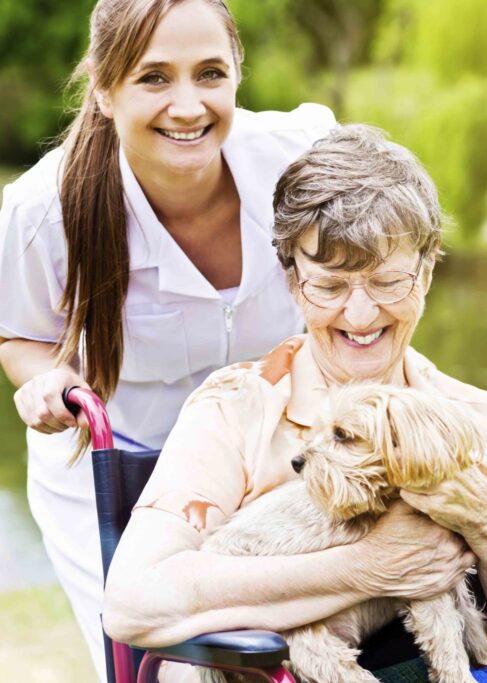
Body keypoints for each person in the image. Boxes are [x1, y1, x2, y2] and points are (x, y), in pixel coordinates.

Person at [102, 124, 487, 680]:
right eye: (329, 287)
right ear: (291, 281)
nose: (359, 316)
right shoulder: (235, 408)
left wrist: (485, 522)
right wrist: (367, 567)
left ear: (425, 274)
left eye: (387, 282)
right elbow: (132, 603)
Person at [0, 1, 370, 679]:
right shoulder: (39, 212)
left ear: (236, 78)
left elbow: (377, 252)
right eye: (154, 78)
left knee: (288, 649)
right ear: (105, 90)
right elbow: (18, 334)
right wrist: (46, 377)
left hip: (269, 458)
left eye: (209, 74)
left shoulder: (297, 160)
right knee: (159, 659)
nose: (188, 105)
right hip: (119, 473)